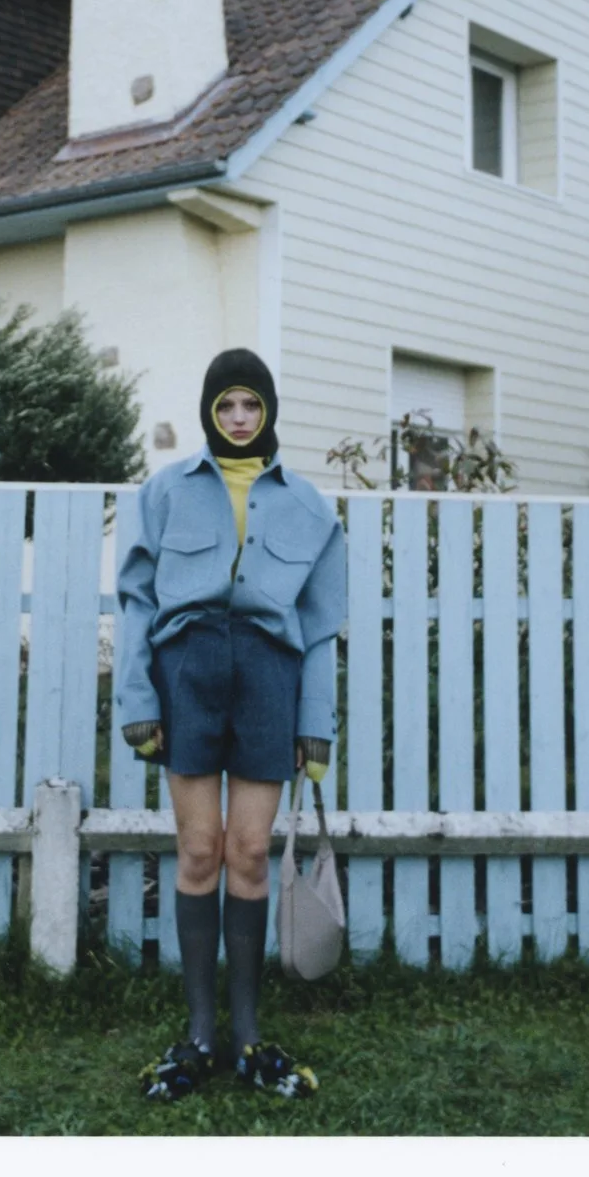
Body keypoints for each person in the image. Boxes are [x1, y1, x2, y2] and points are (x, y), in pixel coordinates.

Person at [116, 347, 347, 1100]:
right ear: (209, 412)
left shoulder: (310, 508)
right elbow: (138, 604)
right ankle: (199, 1036)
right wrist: (138, 699)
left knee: (247, 852)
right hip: (187, 675)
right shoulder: (164, 493)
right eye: (226, 406)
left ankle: (247, 1036)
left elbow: (320, 627)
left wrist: (315, 720)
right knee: (198, 850)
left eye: (251, 405)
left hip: (269, 680)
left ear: (269, 410)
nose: (240, 419)